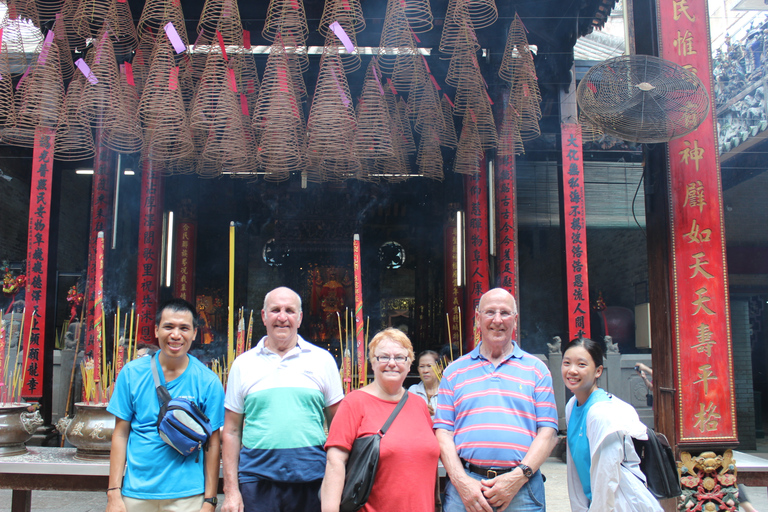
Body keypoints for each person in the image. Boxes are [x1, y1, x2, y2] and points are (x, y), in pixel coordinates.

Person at [434, 288, 558, 512]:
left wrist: (517, 478)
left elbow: (548, 433)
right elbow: (443, 432)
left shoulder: (537, 370)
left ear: (515, 320)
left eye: (505, 313)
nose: (497, 320)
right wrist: (461, 482)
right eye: (490, 312)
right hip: (466, 488)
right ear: (478, 318)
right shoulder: (454, 372)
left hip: (522, 487)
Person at [222, 287, 344, 512]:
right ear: (263, 316)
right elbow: (231, 431)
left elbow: (339, 428)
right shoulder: (242, 364)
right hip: (256, 479)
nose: (282, 317)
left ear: (300, 318)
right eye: (275, 310)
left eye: (289, 310)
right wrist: (231, 491)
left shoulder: (322, 361)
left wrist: (337, 483)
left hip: (312, 477)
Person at [106, 298, 225, 512]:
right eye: (168, 327)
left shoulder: (207, 381)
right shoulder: (131, 374)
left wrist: (209, 501)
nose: (176, 335)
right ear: (156, 330)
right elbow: (121, 433)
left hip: (188, 496)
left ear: (195, 333)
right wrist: (114, 492)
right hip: (136, 493)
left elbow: (213, 444)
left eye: (184, 328)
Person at [321, 328, 440, 512]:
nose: (392, 363)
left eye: (400, 357)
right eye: (383, 357)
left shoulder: (419, 405)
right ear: (372, 363)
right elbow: (335, 463)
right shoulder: (354, 403)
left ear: (410, 364)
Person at [562, 337, 663, 512]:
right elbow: (575, 471)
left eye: (581, 365)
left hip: (622, 504)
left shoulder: (601, 413)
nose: (572, 370)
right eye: (567, 363)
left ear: (598, 371)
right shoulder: (572, 406)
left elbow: (607, 479)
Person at [408, 349, 440, 417]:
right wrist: (420, 410)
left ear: (439, 368)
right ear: (418, 369)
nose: (425, 371)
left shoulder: (447, 391)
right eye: (422, 366)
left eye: (429, 366)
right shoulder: (413, 391)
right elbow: (406, 414)